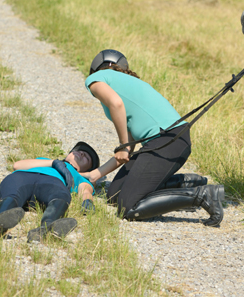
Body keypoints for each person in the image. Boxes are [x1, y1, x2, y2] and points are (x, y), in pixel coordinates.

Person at [80, 49, 224, 226]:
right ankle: (185, 184)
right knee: (114, 195)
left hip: (168, 141)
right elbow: (130, 148)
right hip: (168, 141)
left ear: (100, 67)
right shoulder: (129, 85)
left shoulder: (96, 78)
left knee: (128, 207)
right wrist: (94, 175)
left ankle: (201, 196)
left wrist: (123, 145)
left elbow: (115, 105)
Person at [0, 142, 99, 242]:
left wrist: (87, 202)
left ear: (86, 170)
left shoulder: (79, 177)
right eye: (78, 150)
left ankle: (46, 228)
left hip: (53, 184)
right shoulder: (44, 160)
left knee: (61, 197)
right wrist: (53, 162)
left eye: (86, 157)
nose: (81, 153)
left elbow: (85, 190)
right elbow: (17, 165)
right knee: (11, 195)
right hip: (23, 177)